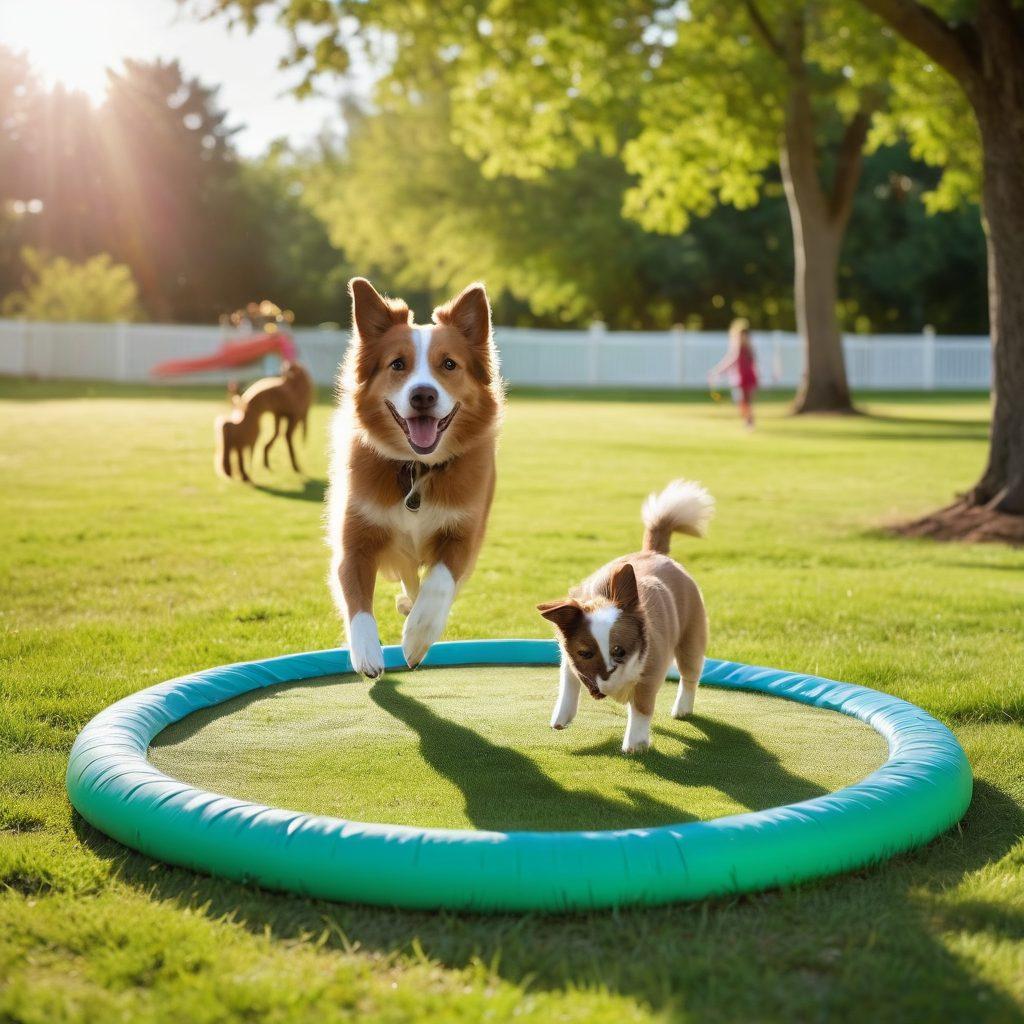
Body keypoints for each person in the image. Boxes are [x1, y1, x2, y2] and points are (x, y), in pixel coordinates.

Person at [709, 318, 759, 429]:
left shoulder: (749, 349)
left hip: (749, 378)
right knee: (743, 402)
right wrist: (718, 370)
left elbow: (751, 364)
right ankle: (748, 420)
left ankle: (749, 421)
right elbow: (731, 361)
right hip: (741, 379)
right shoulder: (739, 348)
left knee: (747, 402)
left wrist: (718, 371)